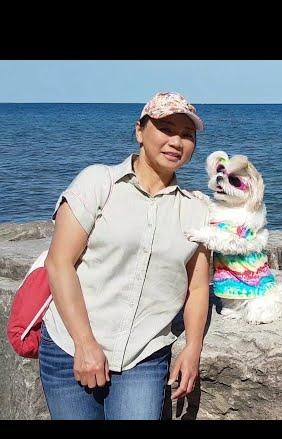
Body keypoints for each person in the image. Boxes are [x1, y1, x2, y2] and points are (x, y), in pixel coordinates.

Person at [40, 92, 211, 420]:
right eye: (166, 128)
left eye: (187, 135)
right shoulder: (98, 182)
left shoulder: (197, 210)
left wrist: (192, 348)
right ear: (140, 131)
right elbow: (58, 262)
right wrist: (85, 343)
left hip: (142, 357)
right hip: (70, 346)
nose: (176, 141)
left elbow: (198, 287)